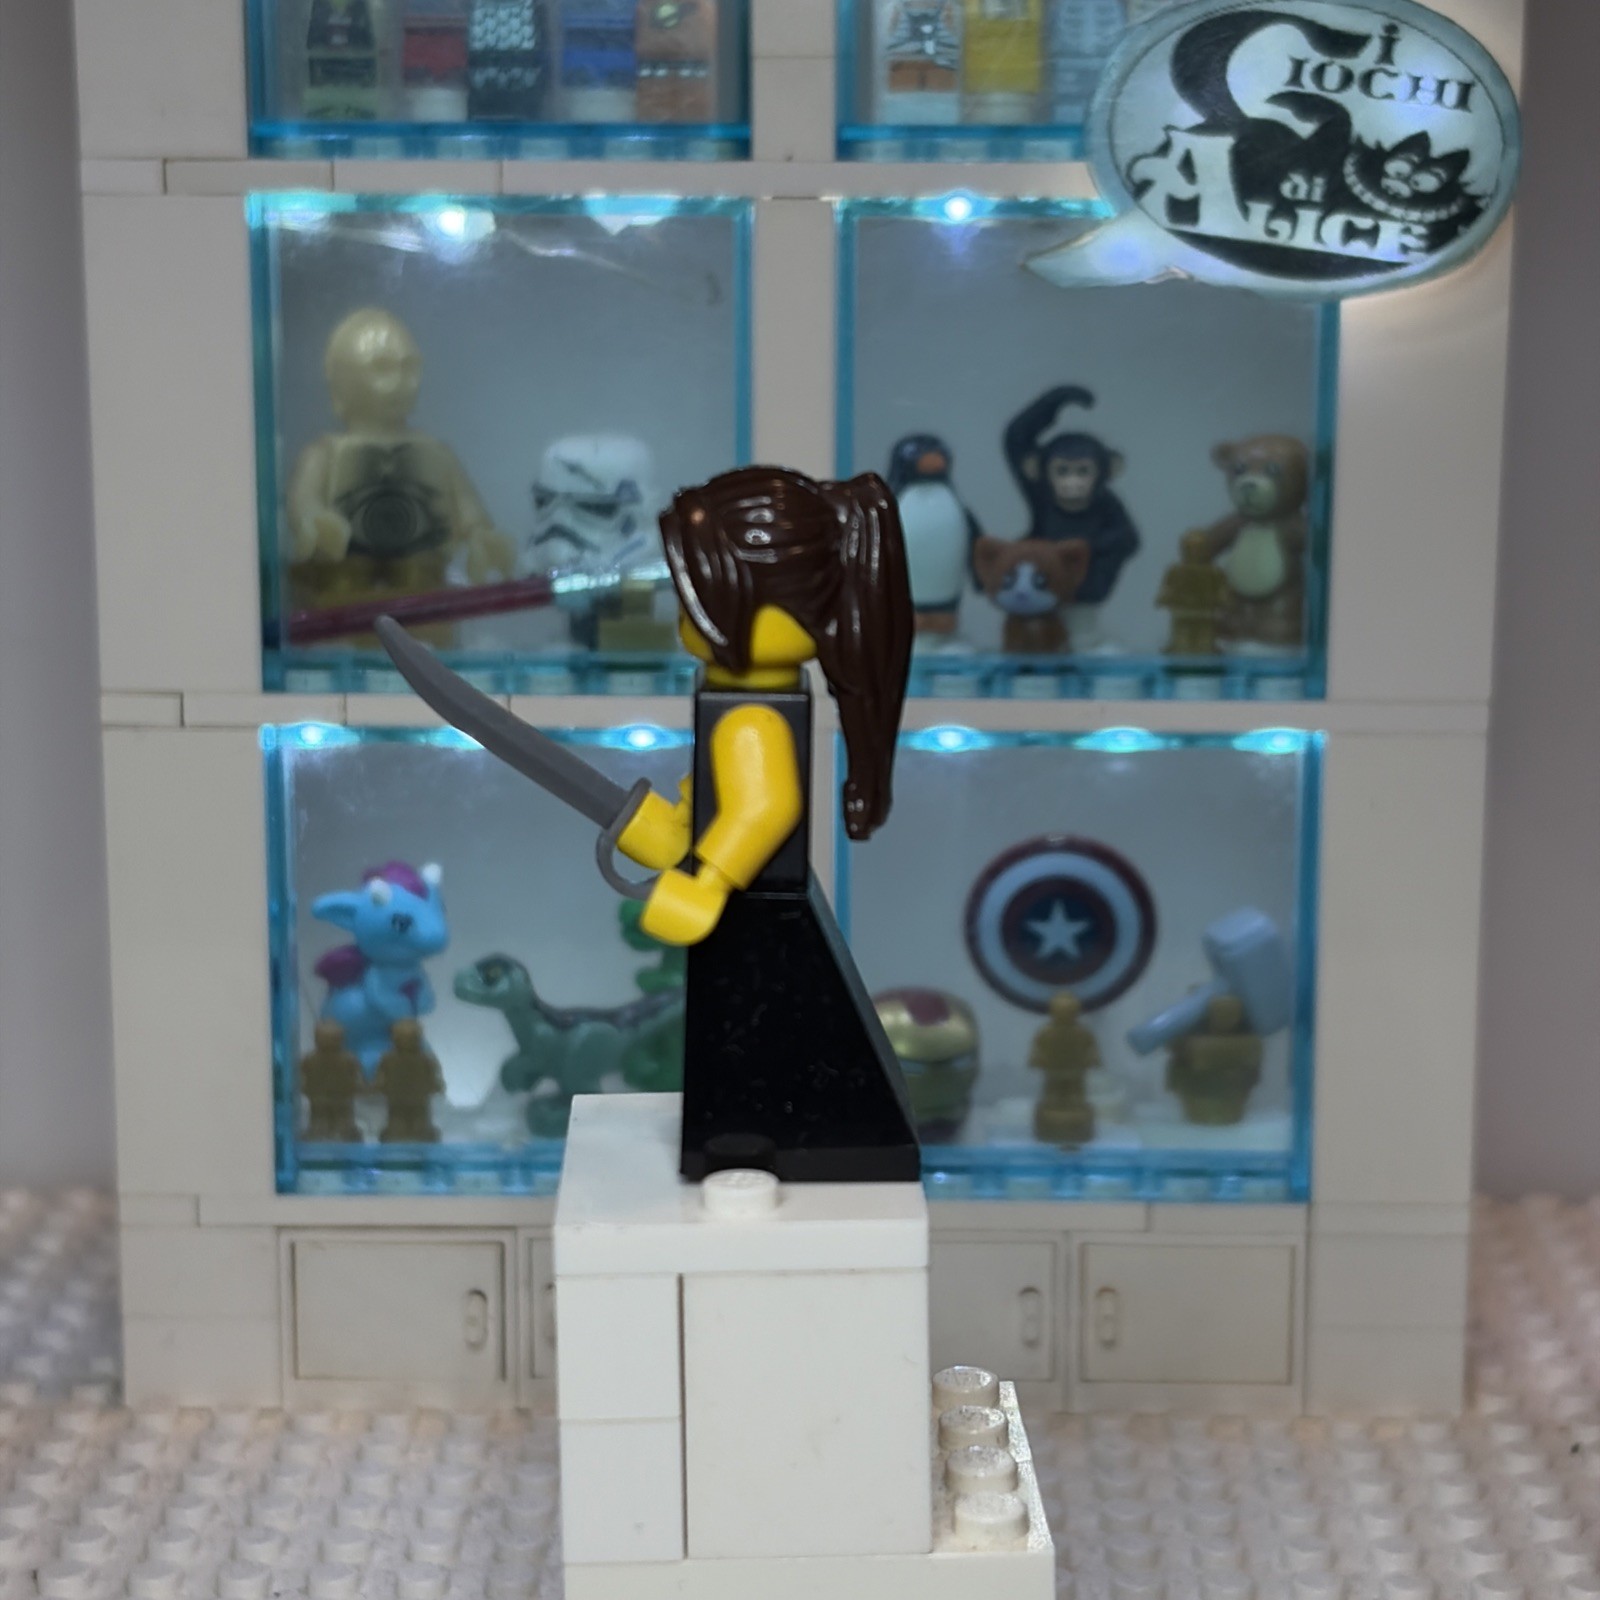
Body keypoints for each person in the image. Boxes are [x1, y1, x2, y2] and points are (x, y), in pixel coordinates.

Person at [614, 465, 921, 1183]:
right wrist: (677, 828)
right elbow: (725, 794)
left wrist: (708, 881)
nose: (684, 616)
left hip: (756, 921)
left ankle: (749, 1141)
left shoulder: (752, 718)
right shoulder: (735, 705)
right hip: (758, 915)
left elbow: (764, 807)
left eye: (700, 597)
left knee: (756, 1063)